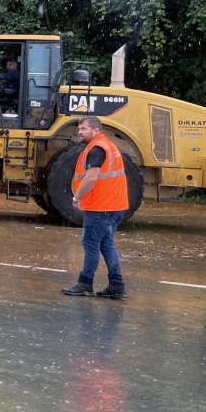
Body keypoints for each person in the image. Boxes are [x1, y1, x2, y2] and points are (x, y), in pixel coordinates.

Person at [62, 116, 129, 299]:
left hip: (101, 207)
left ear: (96, 130)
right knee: (106, 244)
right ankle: (116, 286)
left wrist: (77, 198)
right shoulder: (107, 145)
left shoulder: (97, 149)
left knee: (91, 244)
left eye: (84, 129)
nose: (80, 132)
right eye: (79, 129)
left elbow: (91, 178)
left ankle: (85, 284)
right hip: (115, 206)